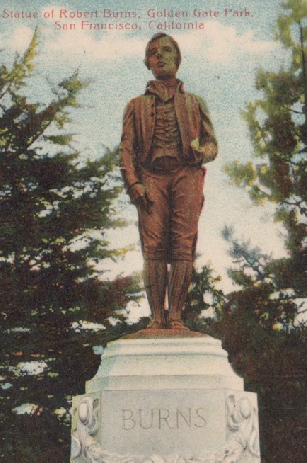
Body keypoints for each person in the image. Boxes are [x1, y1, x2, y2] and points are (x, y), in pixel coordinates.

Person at [121, 33, 218, 330]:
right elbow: (126, 149)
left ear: (178, 59)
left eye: (166, 51)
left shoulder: (193, 102)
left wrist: (203, 152)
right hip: (151, 176)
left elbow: (211, 143)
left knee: (182, 243)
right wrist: (134, 183)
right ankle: (156, 317)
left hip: (186, 174)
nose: (160, 56)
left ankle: (175, 315)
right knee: (152, 245)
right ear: (146, 62)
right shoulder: (136, 105)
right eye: (153, 52)